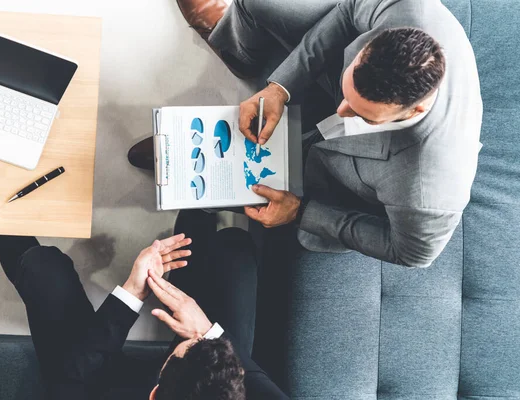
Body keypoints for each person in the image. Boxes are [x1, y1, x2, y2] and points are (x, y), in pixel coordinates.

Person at [129, 0, 483, 268]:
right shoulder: (408, 7)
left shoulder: (431, 190)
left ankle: (192, 171)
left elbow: (413, 253)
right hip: (327, 81)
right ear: (371, 46)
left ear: (416, 110)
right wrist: (280, 88)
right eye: (348, 95)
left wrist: (302, 212)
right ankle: (236, 47)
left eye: (361, 115)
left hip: (339, 179)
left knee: (239, 181)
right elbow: (346, 12)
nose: (340, 111)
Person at [0, 210, 288, 399]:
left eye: (190, 343)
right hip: (198, 387)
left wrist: (132, 293)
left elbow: (71, 380)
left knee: (42, 268)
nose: (194, 336)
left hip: (97, 390)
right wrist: (206, 329)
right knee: (234, 251)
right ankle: (194, 205)